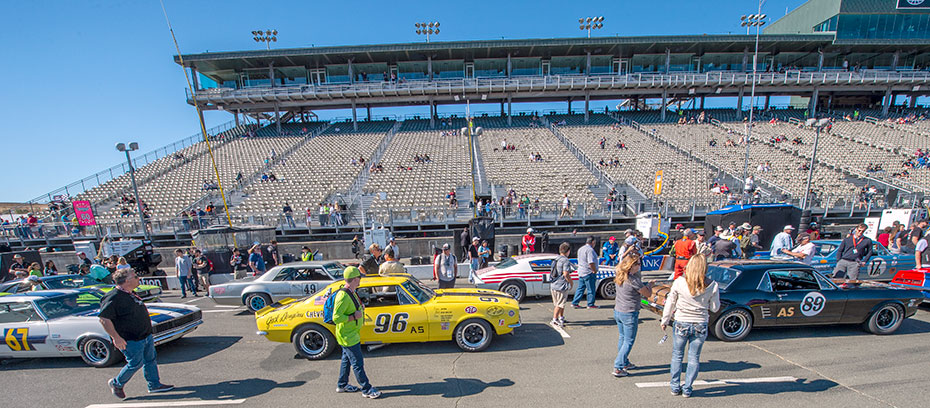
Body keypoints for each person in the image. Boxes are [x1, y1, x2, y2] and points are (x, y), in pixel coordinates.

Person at [100, 268, 174, 399]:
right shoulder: (114, 297)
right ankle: (117, 383)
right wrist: (116, 338)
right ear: (127, 281)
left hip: (145, 335)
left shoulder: (130, 293)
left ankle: (154, 385)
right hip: (130, 339)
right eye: (135, 277)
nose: (138, 278)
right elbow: (104, 319)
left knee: (150, 360)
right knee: (135, 363)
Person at [661, 255, 720, 398]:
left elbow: (671, 302)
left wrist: (665, 319)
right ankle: (687, 388)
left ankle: (675, 387)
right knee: (694, 357)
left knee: (677, 355)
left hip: (682, 321)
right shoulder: (712, 284)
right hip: (700, 322)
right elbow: (714, 308)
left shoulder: (680, 282)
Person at [333, 266, 382, 399]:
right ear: (354, 279)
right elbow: (336, 318)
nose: (360, 280)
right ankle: (366, 389)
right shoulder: (343, 295)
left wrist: (360, 308)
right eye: (359, 278)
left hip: (350, 333)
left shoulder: (351, 292)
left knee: (346, 360)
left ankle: (342, 385)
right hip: (348, 336)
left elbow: (352, 307)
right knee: (357, 363)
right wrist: (354, 317)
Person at [612, 252, 652, 378]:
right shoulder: (634, 280)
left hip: (618, 310)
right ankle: (618, 366)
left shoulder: (620, 276)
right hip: (629, 312)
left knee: (623, 338)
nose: (640, 266)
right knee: (628, 341)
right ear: (631, 266)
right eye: (638, 264)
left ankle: (624, 362)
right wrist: (650, 285)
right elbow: (647, 294)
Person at [550, 242, 574, 327]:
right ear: (568, 251)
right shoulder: (565, 260)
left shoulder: (556, 259)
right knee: (560, 304)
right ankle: (555, 319)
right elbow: (566, 274)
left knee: (559, 303)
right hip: (561, 285)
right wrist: (571, 282)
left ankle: (561, 317)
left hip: (554, 284)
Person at [572, 236, 599, 309]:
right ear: (593, 242)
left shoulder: (581, 249)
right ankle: (590, 304)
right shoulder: (590, 250)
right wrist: (594, 270)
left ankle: (575, 302)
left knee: (580, 288)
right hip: (588, 272)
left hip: (581, 271)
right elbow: (591, 262)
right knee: (591, 289)